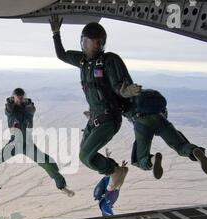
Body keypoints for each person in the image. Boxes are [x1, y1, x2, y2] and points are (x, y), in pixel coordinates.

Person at [50, 15, 142, 191]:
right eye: (90, 42)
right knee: (85, 157)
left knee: (85, 156)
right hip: (94, 118)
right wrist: (56, 33)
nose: (95, 46)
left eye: (98, 43)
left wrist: (126, 91)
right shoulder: (83, 62)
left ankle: (114, 172)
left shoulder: (109, 60)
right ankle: (115, 169)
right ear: (82, 42)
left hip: (108, 119)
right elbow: (62, 55)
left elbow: (119, 85)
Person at [0, 88, 75, 197]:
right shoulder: (10, 111)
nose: (20, 100)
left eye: (21, 98)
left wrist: (27, 102)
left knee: (46, 163)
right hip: (14, 144)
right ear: (14, 98)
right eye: (17, 98)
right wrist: (11, 101)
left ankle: (61, 186)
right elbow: (8, 110)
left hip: (28, 144)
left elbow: (32, 109)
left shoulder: (28, 110)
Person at [125, 89, 207, 179]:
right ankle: (194, 151)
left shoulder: (131, 100)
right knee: (180, 145)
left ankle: (153, 159)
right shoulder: (153, 97)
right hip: (160, 119)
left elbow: (127, 113)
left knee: (140, 159)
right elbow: (164, 113)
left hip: (142, 123)